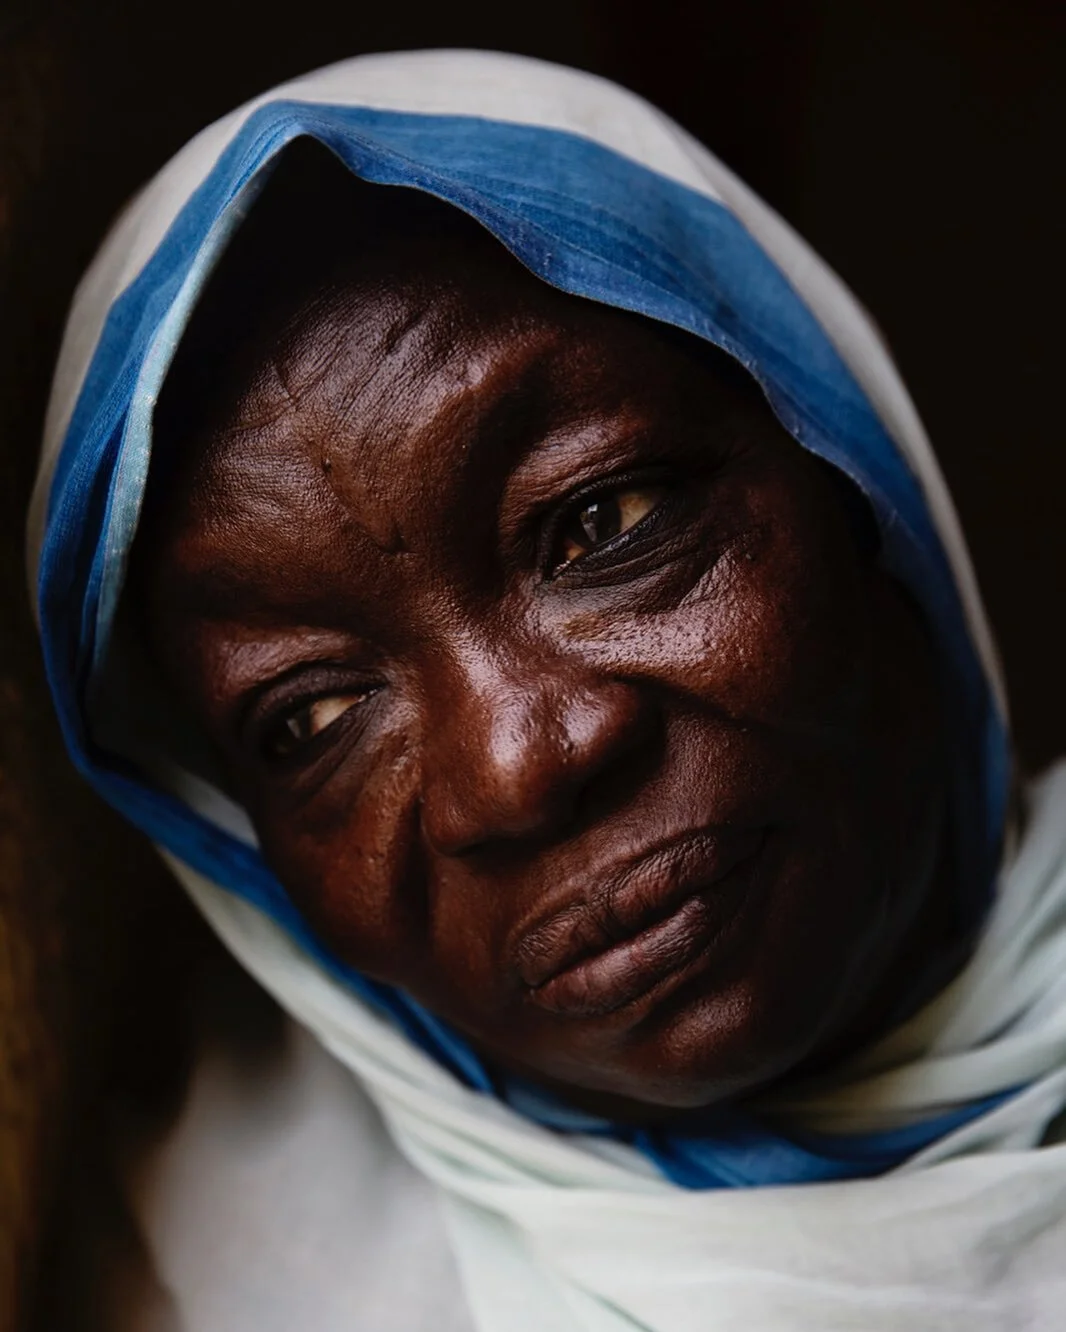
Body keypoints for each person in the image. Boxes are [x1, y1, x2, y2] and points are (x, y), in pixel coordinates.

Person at [27, 49, 1066, 1331]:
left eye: (601, 523)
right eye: (312, 718)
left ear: (850, 476)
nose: (514, 769)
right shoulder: (196, 1295)